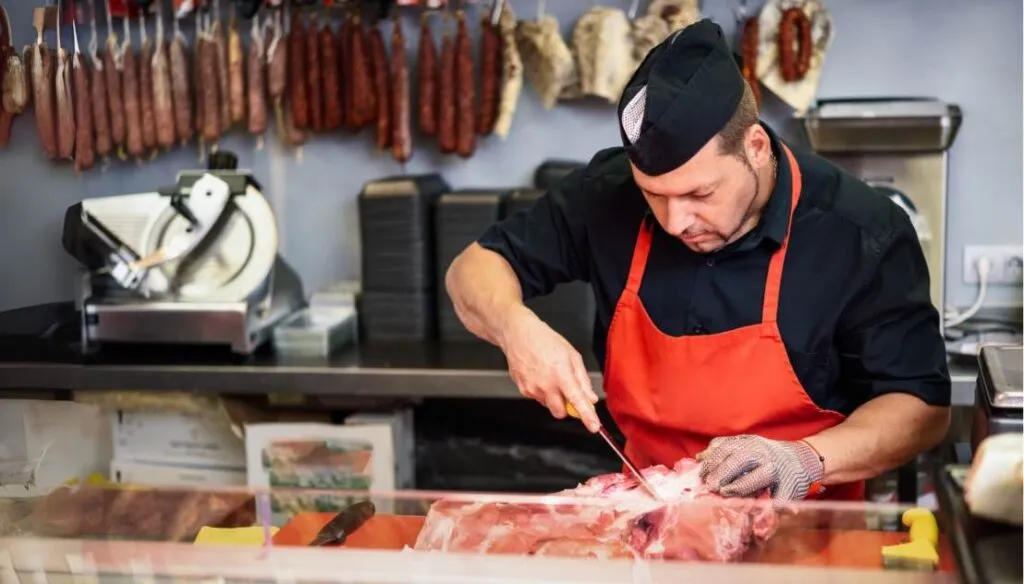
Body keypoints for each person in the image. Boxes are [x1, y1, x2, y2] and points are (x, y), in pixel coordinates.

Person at [444, 19, 951, 501]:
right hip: (651, 523)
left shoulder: (860, 231)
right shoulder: (608, 194)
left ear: (754, 147)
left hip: (811, 534)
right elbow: (474, 268)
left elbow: (921, 408)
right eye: (653, 196)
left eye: (699, 193)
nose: (674, 221)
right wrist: (515, 329)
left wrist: (804, 460)